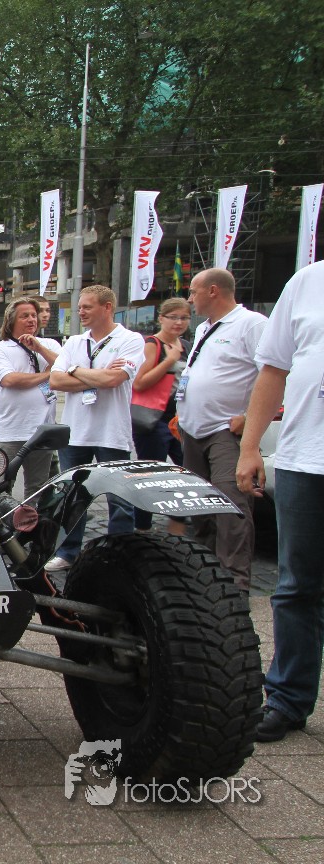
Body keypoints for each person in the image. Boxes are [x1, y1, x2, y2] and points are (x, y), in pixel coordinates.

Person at [235, 260, 324, 742]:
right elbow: (273, 370)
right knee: (296, 588)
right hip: (304, 461)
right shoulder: (308, 281)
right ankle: (287, 700)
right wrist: (250, 447)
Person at [176, 267, 267, 591]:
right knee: (199, 506)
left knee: (230, 506)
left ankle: (234, 586)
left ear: (213, 291)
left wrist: (248, 416)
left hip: (224, 432)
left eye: (193, 291)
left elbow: (273, 374)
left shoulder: (252, 324)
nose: (189, 299)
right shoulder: (204, 327)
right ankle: (203, 580)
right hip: (192, 431)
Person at [46, 285, 145, 571]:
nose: (81, 312)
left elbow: (114, 380)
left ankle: (118, 556)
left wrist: (75, 370)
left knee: (119, 498)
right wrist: (97, 376)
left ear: (107, 307)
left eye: (87, 307)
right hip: (76, 432)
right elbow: (55, 381)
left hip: (112, 432)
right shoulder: (75, 342)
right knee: (72, 496)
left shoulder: (130, 340)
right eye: (80, 307)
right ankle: (68, 553)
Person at [0, 297, 61, 498]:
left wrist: (40, 349)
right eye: (25, 316)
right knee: (0, 487)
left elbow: (67, 367)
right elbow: (10, 380)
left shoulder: (49, 345)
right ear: (11, 320)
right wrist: (48, 374)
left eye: (34, 315)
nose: (31, 320)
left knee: (37, 488)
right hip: (10, 432)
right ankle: (5, 517)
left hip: (42, 431)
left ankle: (30, 518)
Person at [130, 297, 189, 534]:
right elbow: (140, 383)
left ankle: (177, 527)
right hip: (153, 420)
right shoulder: (152, 344)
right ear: (161, 318)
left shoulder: (186, 345)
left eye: (184, 317)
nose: (179, 322)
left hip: (180, 420)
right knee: (150, 476)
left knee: (187, 472)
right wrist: (170, 361)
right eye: (173, 317)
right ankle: (142, 527)